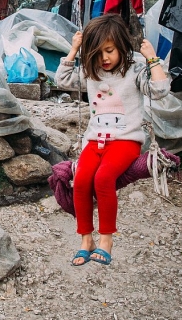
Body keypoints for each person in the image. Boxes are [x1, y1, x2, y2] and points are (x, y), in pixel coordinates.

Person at [54, 14, 170, 265]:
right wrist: (74, 49)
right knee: (82, 180)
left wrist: (152, 58)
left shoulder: (135, 69)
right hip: (94, 140)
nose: (104, 58)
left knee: (103, 178)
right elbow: (61, 80)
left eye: (109, 51)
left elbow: (160, 90)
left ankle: (106, 239)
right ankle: (86, 240)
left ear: (121, 46)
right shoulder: (92, 71)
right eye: (97, 53)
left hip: (126, 140)